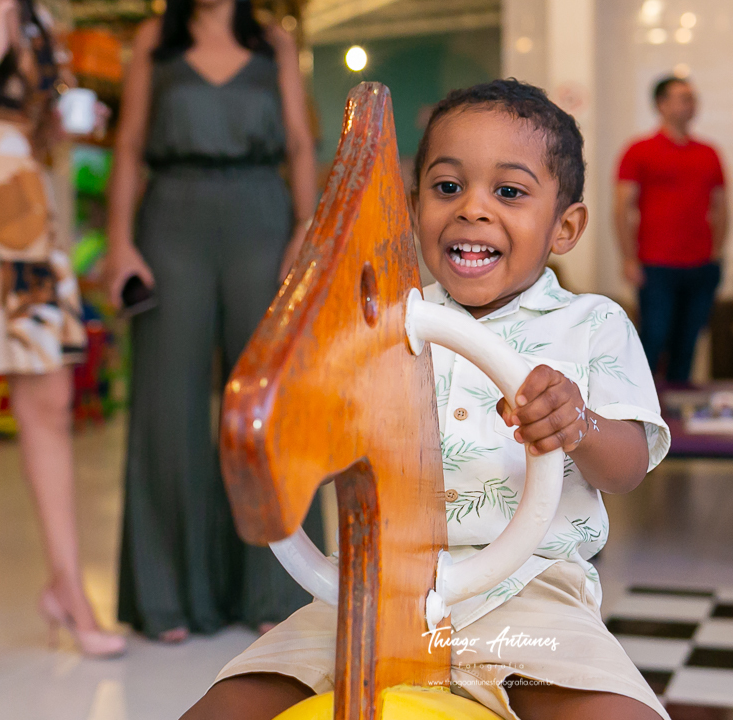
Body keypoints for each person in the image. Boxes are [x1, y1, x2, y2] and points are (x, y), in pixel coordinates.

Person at [181, 79, 673, 720]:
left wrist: (577, 423)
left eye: (509, 191)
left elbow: (628, 466)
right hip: (370, 590)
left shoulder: (590, 324)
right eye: (447, 186)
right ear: (414, 208)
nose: (472, 209)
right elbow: (313, 445)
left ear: (565, 226)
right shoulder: (382, 323)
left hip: (528, 595)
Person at [105, 0, 320, 642]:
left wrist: (305, 227)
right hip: (171, 222)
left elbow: (300, 142)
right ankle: (168, 595)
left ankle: (277, 587)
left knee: (268, 404)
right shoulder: (155, 39)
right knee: (166, 403)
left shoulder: (274, 43)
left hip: (263, 220)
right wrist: (119, 242)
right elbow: (129, 144)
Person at [0, 0, 126, 677]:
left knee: (49, 400)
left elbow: (42, 135)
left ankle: (68, 589)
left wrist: (66, 123)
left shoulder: (40, 21)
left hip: (21, 209)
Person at [615, 75, 728, 383]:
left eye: (693, 98)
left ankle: (678, 406)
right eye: (683, 98)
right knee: (653, 337)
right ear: (661, 104)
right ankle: (640, 405)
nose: (691, 104)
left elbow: (721, 208)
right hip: (656, 264)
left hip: (701, 264)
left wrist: (716, 253)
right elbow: (622, 208)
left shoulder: (709, 153)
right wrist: (628, 258)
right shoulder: (639, 150)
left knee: (687, 344)